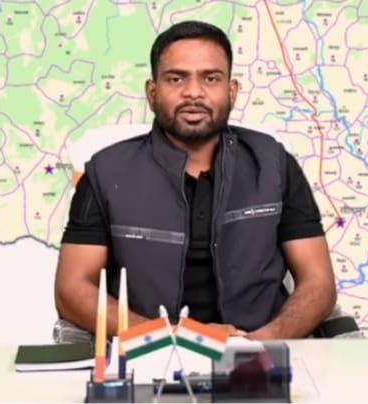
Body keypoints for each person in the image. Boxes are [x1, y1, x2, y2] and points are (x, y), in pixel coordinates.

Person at [55, 20, 338, 341]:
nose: (193, 92)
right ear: (152, 93)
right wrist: (167, 337)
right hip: (150, 351)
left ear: (231, 91)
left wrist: (262, 342)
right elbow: (72, 288)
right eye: (176, 78)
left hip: (261, 351)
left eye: (211, 78)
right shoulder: (106, 172)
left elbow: (318, 283)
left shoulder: (274, 164)